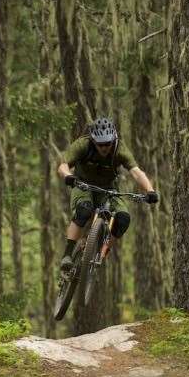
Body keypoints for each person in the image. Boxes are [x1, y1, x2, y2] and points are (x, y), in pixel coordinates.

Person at [57, 117, 159, 277]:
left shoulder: (119, 149)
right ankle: (68, 254)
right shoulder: (83, 145)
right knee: (84, 210)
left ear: (113, 140)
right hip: (83, 185)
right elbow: (63, 165)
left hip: (109, 188)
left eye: (107, 144)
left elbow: (136, 172)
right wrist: (67, 176)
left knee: (123, 218)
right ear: (93, 140)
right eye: (100, 144)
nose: (104, 148)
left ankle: (101, 252)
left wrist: (150, 191)